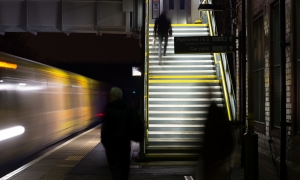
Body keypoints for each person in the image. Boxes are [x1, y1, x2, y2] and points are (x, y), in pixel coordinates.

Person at [101, 87, 143, 180]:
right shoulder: (128, 109)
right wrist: (135, 137)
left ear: (112, 96)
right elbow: (137, 124)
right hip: (124, 145)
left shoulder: (109, 110)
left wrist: (105, 143)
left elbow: (104, 130)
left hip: (111, 147)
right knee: (124, 170)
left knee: (115, 170)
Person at [199, 89, 235, 180]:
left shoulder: (216, 114)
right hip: (210, 161)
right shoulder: (211, 113)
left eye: (203, 93)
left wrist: (220, 159)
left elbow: (228, 140)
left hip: (214, 162)